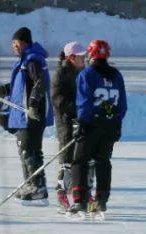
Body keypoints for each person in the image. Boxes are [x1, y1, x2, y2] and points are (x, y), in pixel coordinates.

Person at [68, 39, 127, 217]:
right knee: (103, 161)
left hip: (91, 125)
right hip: (110, 126)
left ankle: (80, 200)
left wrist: (82, 123)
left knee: (80, 161)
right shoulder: (116, 75)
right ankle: (101, 200)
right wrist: (116, 122)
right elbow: (122, 104)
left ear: (91, 54)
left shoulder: (87, 74)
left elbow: (84, 101)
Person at [8, 27, 53, 205]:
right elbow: (20, 87)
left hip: (31, 114)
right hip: (25, 113)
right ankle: (34, 185)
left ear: (25, 42)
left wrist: (33, 103)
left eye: (16, 43)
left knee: (27, 149)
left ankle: (37, 186)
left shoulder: (32, 60)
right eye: (12, 43)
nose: (14, 46)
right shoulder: (25, 61)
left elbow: (40, 83)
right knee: (31, 149)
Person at [52, 41, 88, 210]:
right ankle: (61, 192)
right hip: (66, 122)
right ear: (72, 58)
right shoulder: (61, 73)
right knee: (67, 158)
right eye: (81, 56)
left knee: (81, 158)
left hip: (81, 120)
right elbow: (59, 100)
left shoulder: (84, 72)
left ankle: (80, 193)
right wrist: (75, 112)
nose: (84, 59)